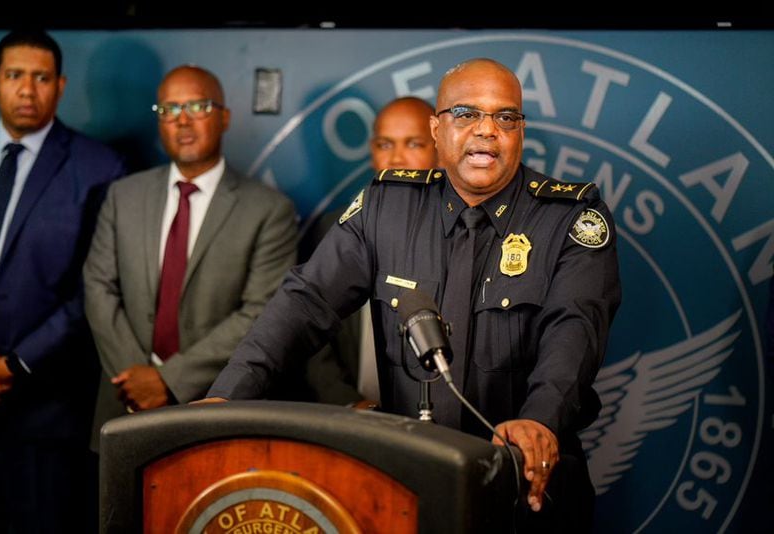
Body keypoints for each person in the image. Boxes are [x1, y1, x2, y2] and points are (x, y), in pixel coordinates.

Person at [205, 58, 620, 530]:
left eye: (505, 117)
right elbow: (305, 302)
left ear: (520, 131)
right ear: (436, 129)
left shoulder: (571, 218)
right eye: (465, 114)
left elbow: (574, 330)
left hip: (525, 492)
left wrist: (540, 420)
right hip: (407, 489)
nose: (487, 131)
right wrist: (226, 399)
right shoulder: (387, 206)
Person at [84, 65, 297, 446]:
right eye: (169, 109)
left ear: (225, 117)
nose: (182, 120)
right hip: (123, 406)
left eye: (197, 106)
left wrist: (168, 381)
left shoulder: (269, 210)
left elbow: (262, 311)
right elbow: (98, 287)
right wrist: (136, 379)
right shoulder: (123, 196)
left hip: (214, 407)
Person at [0, 30, 126, 533]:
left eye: (41, 78)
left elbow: (95, 287)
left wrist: (12, 365)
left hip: (44, 410)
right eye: (15, 76)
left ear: (60, 86)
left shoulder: (99, 167)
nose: (27, 90)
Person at [300, 96, 438, 406]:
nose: (397, 159)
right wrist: (348, 404)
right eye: (385, 145)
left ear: (441, 150)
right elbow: (310, 333)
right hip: (348, 417)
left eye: (413, 144)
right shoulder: (334, 227)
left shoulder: (463, 228)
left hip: (437, 421)